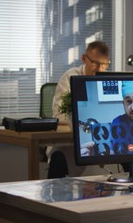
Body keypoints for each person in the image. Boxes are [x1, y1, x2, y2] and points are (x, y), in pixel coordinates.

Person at [47, 41, 110, 179]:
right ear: (84, 59)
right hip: (68, 142)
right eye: (95, 63)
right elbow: (60, 116)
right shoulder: (70, 77)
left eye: (104, 65)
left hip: (98, 137)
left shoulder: (106, 81)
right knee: (59, 158)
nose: (99, 69)